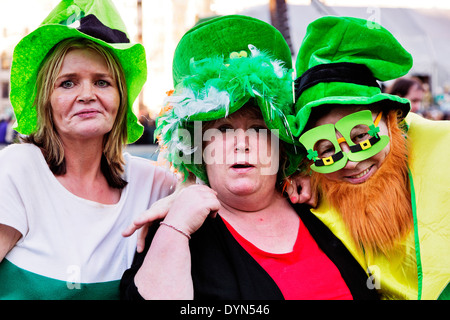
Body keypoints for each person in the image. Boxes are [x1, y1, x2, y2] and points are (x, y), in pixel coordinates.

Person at [120, 15, 378, 300]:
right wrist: (177, 225)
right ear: (197, 146)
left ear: (281, 142)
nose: (241, 144)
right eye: (223, 129)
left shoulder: (322, 203)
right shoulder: (181, 226)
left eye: (258, 128)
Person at [0, 0, 177, 299]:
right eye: (67, 83)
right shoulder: (17, 169)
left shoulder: (155, 184)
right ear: (46, 100)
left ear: (121, 97)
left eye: (102, 82)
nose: (87, 95)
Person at [287, 16, 450, 300]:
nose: (351, 162)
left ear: (391, 121)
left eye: (362, 137)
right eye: (327, 150)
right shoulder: (310, 195)